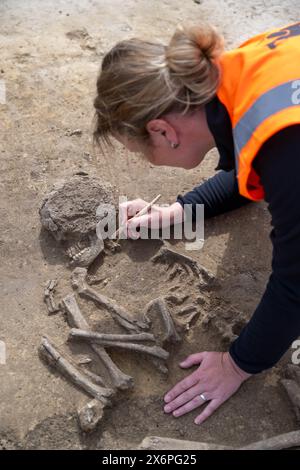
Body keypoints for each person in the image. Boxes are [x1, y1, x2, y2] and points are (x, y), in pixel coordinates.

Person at [93, 22, 300, 425]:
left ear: (163, 130)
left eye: (139, 152)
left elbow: (297, 282)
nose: (144, 160)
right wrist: (184, 211)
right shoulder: (249, 65)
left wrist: (239, 364)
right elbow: (256, 148)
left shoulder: (289, 151)